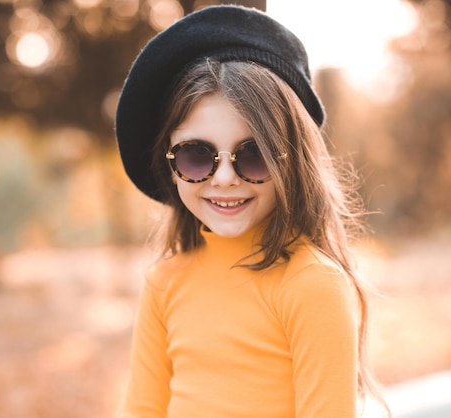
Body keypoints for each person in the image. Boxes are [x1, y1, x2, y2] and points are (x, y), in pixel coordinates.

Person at [115, 5, 387, 418]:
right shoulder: (164, 284)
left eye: (254, 154)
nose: (224, 178)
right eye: (196, 155)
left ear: (292, 163)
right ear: (170, 164)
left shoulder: (311, 286)